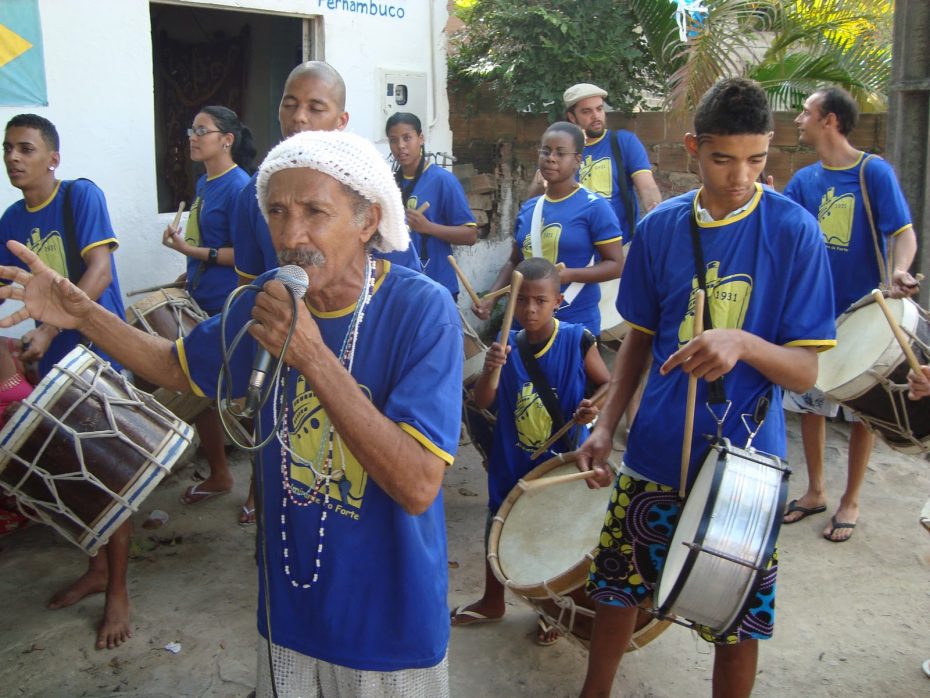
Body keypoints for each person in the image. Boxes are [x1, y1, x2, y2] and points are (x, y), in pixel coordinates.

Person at [0, 129, 463, 696]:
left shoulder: (422, 310)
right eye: (276, 212)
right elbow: (175, 366)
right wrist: (82, 313)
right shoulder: (269, 298)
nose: (291, 235)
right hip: (291, 610)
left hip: (389, 622)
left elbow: (418, 485)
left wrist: (313, 359)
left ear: (368, 221)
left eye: (315, 211)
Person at [574, 78, 836, 697]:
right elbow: (637, 338)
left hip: (746, 465)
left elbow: (805, 371)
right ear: (693, 147)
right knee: (616, 591)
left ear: (770, 149)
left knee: (736, 620)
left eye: (756, 159)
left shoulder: (794, 232)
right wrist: (608, 425)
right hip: (656, 450)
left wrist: (741, 343)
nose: (740, 175)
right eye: (722, 158)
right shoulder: (661, 229)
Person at [232, 62, 419, 524]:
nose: (298, 118)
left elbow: (398, 291)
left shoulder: (365, 191)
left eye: (315, 107)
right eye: (289, 104)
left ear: (341, 121)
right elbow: (255, 285)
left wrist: (317, 355)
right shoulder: (250, 197)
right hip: (283, 374)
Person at [0, 113, 132, 650]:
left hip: (101, 356)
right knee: (75, 480)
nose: (14, 157)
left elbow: (97, 275)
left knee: (113, 479)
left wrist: (48, 330)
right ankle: (98, 569)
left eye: (26, 148)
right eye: (8, 148)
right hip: (54, 367)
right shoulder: (10, 220)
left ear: (52, 157)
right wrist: (24, 345)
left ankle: (119, 590)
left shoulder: (80, 197)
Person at [781, 86, 919, 542]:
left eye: (807, 112)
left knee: (865, 411)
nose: (799, 119)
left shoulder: (872, 171)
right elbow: (792, 247)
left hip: (865, 314)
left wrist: (900, 270)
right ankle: (816, 490)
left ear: (831, 120)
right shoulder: (803, 182)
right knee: (811, 403)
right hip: (816, 311)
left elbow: (903, 234)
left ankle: (851, 499)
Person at [451, 257, 609, 645]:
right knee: (497, 529)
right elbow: (483, 401)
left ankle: (551, 610)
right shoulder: (505, 349)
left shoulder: (577, 339)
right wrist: (491, 369)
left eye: (540, 300)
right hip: (511, 462)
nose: (530, 310)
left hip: (559, 465)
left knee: (557, 537)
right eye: (522, 301)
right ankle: (493, 601)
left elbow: (610, 383)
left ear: (558, 301)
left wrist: (594, 406)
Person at [161, 105, 255, 506]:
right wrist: (190, 266)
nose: (193, 137)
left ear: (227, 139)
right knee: (200, 391)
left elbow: (246, 255)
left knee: (247, 401)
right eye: (191, 129)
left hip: (229, 302)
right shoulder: (205, 184)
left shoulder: (240, 188)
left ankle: (258, 490)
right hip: (200, 296)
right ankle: (219, 474)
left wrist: (193, 251)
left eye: (203, 130)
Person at [474, 122, 623, 336]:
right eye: (546, 151)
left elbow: (616, 265)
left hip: (573, 320)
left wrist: (568, 274)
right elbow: (515, 261)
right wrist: (492, 297)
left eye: (560, 153)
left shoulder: (595, 207)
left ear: (577, 160)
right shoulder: (530, 208)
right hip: (524, 322)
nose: (551, 158)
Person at [386, 112, 476, 297]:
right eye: (394, 140)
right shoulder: (388, 184)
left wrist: (428, 227)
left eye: (407, 138)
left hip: (437, 285)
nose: (400, 146)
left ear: (421, 138)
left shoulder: (442, 180)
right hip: (400, 287)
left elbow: (470, 235)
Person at [564, 82, 662, 237]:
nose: (596, 116)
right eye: (586, 111)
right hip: (578, 244)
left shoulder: (624, 142)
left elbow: (647, 187)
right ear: (572, 117)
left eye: (599, 108)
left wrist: (655, 213)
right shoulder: (563, 150)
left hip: (620, 243)